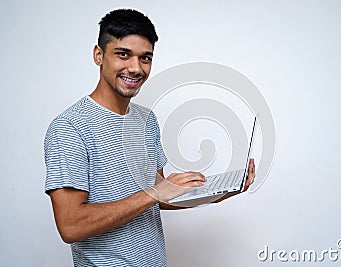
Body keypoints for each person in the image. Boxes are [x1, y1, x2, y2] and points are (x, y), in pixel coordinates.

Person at [44, 8, 255, 267]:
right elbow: (71, 225)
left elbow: (160, 199)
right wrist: (154, 193)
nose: (135, 68)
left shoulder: (146, 120)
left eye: (145, 58)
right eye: (123, 54)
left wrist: (221, 190)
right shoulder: (69, 127)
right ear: (99, 55)